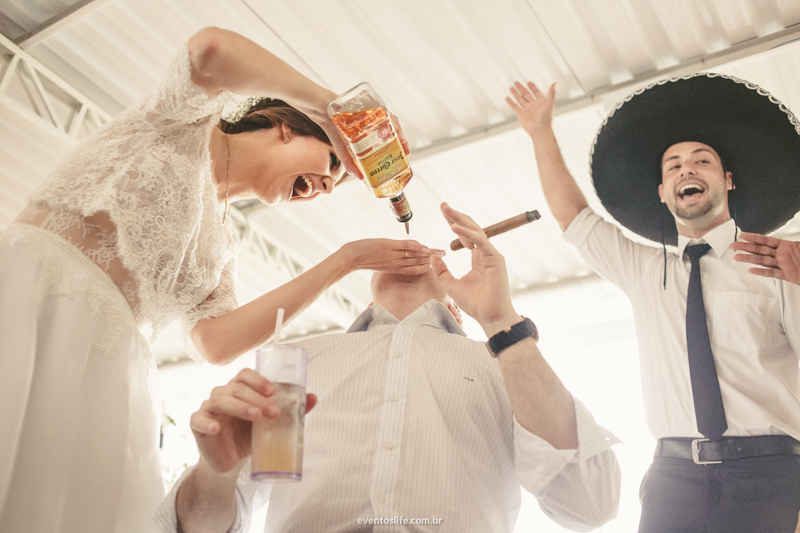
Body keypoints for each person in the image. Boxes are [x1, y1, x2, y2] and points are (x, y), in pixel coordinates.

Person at [0, 27, 440, 533]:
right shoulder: (182, 122)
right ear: (285, 127)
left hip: (103, 371)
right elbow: (209, 52)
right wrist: (331, 107)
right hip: (32, 301)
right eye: (331, 164)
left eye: (333, 186)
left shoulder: (221, 246)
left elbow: (213, 342)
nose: (325, 186)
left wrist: (344, 260)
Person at [152, 202, 622, 532]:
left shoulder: (506, 362)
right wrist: (215, 474)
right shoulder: (298, 363)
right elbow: (199, 528)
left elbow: (589, 504)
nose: (414, 250)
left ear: (456, 308)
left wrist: (500, 321)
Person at [506, 74, 800, 533]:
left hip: (771, 475)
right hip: (673, 479)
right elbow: (573, 218)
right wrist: (540, 132)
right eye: (673, 165)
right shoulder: (642, 269)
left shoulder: (780, 263)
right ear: (664, 192)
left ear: (727, 180)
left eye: (701, 160)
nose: (687, 169)